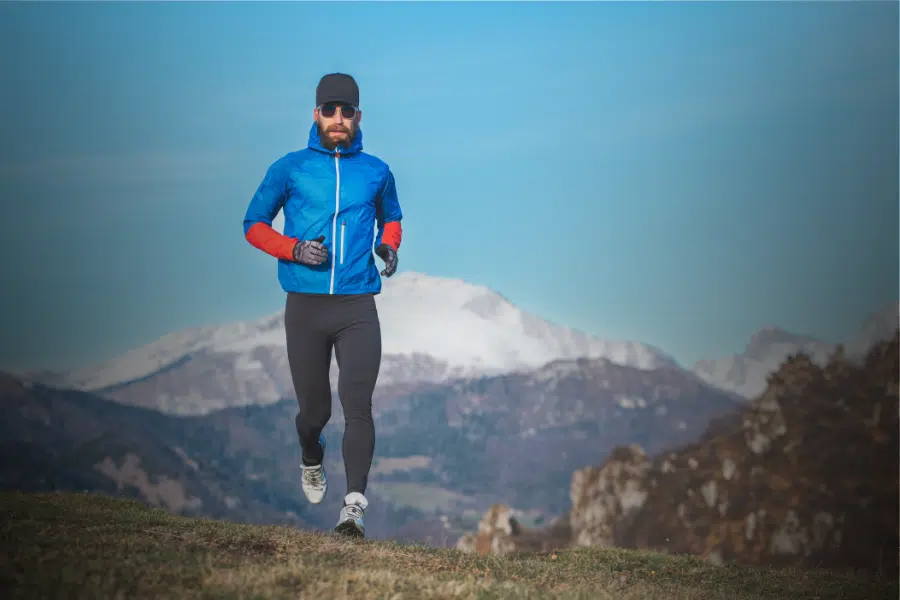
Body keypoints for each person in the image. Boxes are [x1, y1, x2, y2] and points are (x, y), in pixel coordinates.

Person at [242, 72, 403, 538]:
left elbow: (390, 216)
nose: (338, 119)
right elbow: (253, 224)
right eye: (329, 110)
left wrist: (388, 245)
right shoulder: (289, 168)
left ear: (357, 116)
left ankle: (353, 508)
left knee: (359, 404)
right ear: (316, 114)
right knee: (315, 412)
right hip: (306, 308)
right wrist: (292, 249)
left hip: (357, 305)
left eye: (346, 111)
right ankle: (310, 454)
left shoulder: (376, 170)